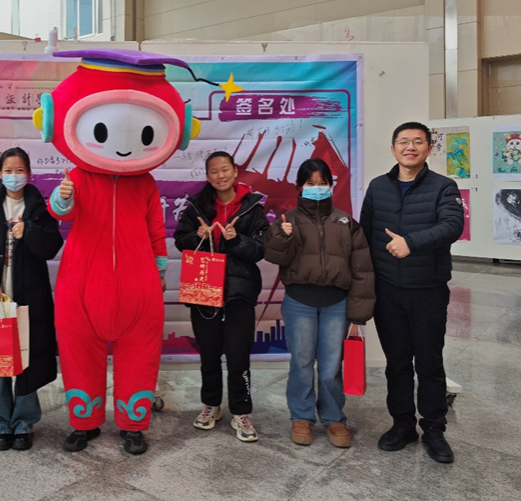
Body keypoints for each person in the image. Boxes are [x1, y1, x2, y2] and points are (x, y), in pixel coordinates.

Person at [360, 122, 464, 463]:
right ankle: (402, 424)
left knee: (430, 363)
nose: (410, 147)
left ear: (428, 149)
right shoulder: (378, 187)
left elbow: (453, 226)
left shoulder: (443, 186)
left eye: (418, 141)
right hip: (388, 290)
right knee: (397, 362)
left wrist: (411, 243)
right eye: (403, 141)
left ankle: (434, 429)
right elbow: (365, 234)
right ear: (393, 149)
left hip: (427, 289)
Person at [264, 158, 375, 448]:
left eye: (322, 183)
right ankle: (301, 417)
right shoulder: (287, 220)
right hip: (299, 302)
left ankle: (334, 417)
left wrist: (359, 313)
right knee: (301, 363)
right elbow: (274, 256)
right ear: (300, 186)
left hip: (336, 304)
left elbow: (362, 269)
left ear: (330, 185)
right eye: (310, 183)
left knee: (331, 366)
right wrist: (282, 237)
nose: (316, 188)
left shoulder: (346, 222)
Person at [0, 147, 63, 451]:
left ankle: (24, 422)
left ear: (29, 174)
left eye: (19, 170)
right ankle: (2, 423)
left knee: (26, 360)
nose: (14, 175)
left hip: (29, 297)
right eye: (8, 170)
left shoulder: (39, 208)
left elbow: (51, 247)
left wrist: (28, 230)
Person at [173, 151, 269, 443]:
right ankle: (211, 405)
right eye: (214, 171)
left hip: (240, 292)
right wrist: (197, 236)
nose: (220, 176)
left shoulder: (253, 207)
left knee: (239, 356)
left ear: (235, 171)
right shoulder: (196, 205)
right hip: (204, 289)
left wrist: (235, 240)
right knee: (209, 354)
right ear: (207, 176)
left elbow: (260, 250)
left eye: (225, 169)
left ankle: (241, 412)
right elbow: (180, 241)